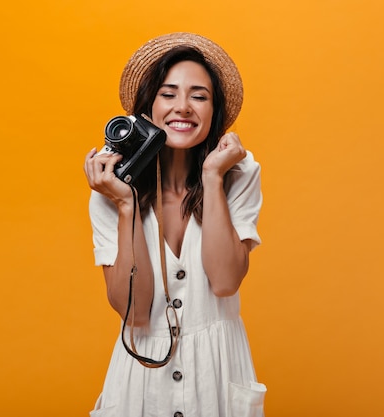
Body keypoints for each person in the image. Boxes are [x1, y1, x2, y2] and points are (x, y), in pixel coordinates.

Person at [84, 32, 265, 417]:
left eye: (199, 96)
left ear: (214, 111)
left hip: (218, 375)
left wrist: (214, 177)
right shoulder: (110, 185)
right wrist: (125, 205)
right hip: (141, 382)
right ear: (146, 108)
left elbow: (225, 281)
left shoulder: (239, 173)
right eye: (168, 94)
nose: (182, 107)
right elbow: (133, 312)